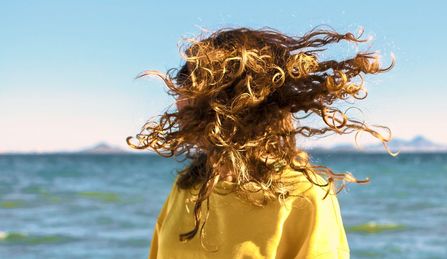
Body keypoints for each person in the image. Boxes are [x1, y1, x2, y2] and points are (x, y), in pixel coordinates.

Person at [126, 25, 395, 259]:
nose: (179, 100)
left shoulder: (303, 196)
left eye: (191, 84)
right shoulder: (189, 185)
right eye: (181, 83)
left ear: (235, 101)